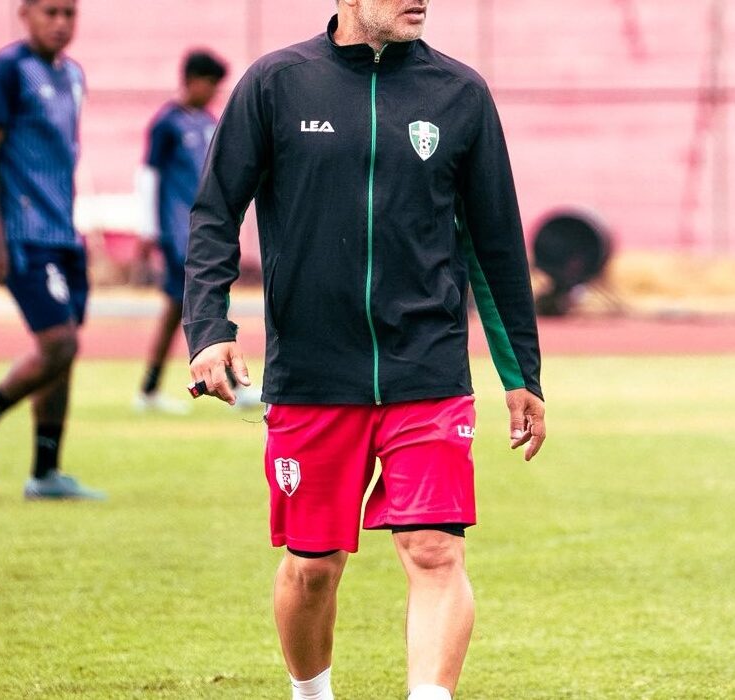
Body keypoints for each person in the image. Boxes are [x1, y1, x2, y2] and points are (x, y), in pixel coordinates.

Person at [183, 0, 546, 697]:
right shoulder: (275, 84)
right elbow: (214, 215)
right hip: (313, 375)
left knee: (434, 551)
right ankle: (310, 692)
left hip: (429, 370)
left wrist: (520, 373)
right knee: (312, 568)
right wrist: (209, 329)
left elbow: (495, 242)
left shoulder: (460, 94)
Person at [0, 0, 104, 501]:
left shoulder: (73, 74)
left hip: (64, 233)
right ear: (25, 13)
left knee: (63, 355)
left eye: (69, 13)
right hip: (23, 234)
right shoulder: (7, 69)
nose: (60, 23)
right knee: (60, 343)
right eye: (49, 12)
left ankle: (45, 474)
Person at [132, 50, 261, 413]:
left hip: (203, 232)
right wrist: (148, 230)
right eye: (210, 84)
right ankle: (232, 382)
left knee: (179, 309)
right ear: (191, 81)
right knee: (207, 300)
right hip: (179, 235)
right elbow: (148, 177)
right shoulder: (167, 124)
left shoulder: (207, 121)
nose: (214, 92)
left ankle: (150, 389)